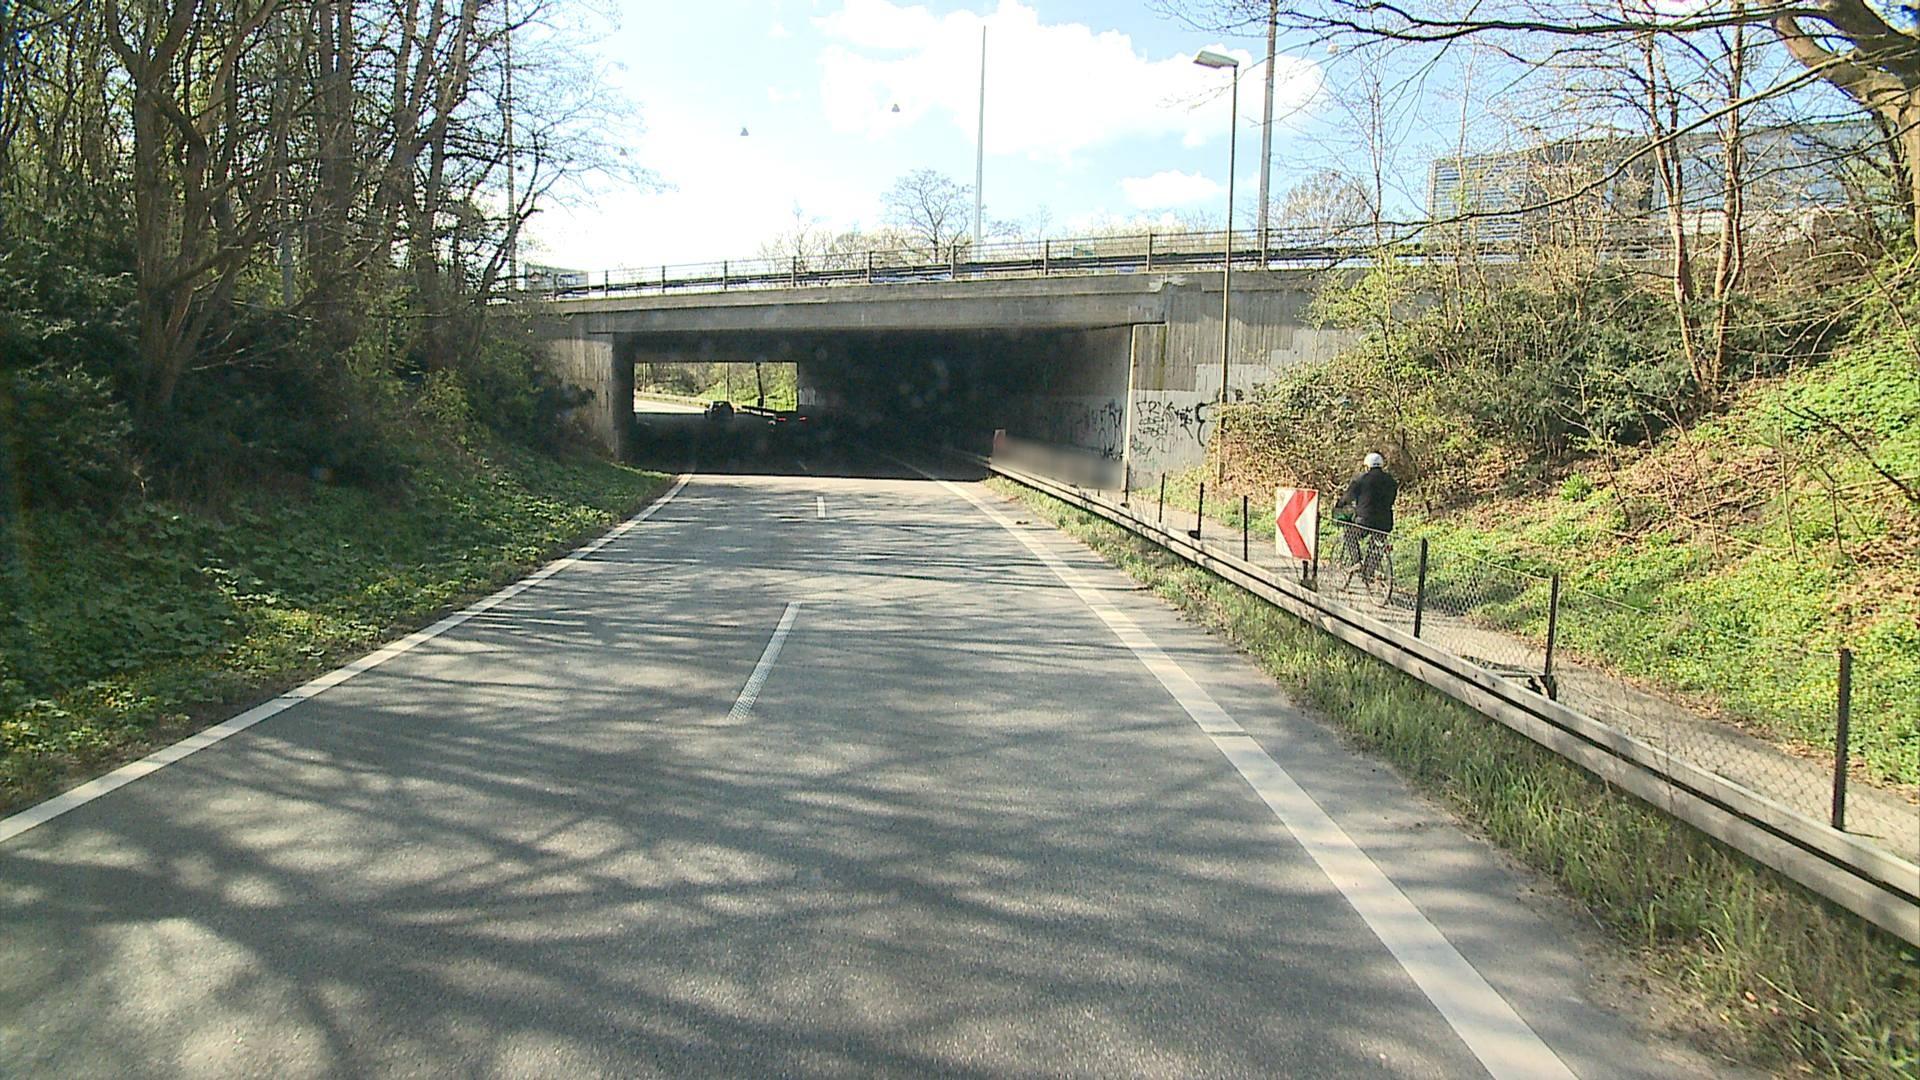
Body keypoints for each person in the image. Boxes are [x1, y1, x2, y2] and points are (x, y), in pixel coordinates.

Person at [1333, 452, 1397, 581]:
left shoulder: (1361, 480)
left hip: (1365, 520)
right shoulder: (1391, 481)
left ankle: (1357, 562)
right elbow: (1391, 500)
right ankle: (1369, 573)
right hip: (1385, 522)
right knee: (1378, 544)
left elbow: (1347, 497)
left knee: (1350, 535)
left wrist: (1339, 506)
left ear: (1367, 466)